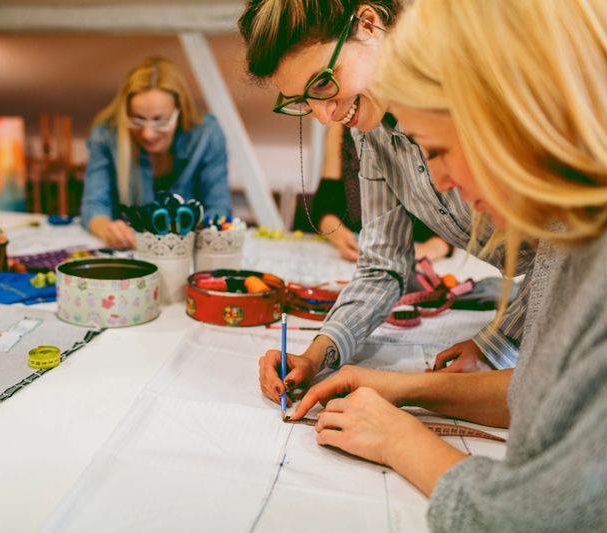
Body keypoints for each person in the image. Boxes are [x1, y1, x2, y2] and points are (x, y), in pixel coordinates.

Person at [291, 0, 607, 530]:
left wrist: (401, 439)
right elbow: (544, 395)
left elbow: (543, 516)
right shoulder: (574, 231)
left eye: (435, 149)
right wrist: (403, 388)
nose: (436, 187)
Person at [237, 0, 534, 390]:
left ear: (369, 24)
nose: (324, 116)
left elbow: (570, 243)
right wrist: (319, 353)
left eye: (323, 83)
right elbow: (382, 267)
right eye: (302, 102)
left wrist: (497, 342)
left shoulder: (482, 80)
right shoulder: (371, 130)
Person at [80, 57, 232, 249]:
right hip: (132, 250)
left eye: (160, 121)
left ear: (180, 110)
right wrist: (107, 229)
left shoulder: (207, 135)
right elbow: (94, 204)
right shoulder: (106, 134)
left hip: (188, 252)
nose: (147, 134)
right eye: (137, 120)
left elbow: (218, 207)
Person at [312, 121, 453, 262]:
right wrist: (341, 237)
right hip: (358, 253)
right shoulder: (341, 125)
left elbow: (455, 221)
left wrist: (419, 254)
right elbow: (324, 205)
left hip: (420, 253)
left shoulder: (425, 122)